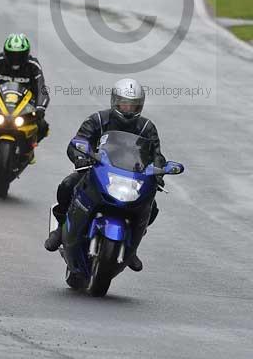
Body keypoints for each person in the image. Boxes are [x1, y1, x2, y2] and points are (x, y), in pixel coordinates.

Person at [44, 78, 165, 271]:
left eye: (133, 105)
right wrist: (80, 157)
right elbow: (78, 141)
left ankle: (132, 246)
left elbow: (156, 155)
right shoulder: (98, 120)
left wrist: (158, 172)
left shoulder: (146, 128)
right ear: (114, 101)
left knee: (152, 206)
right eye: (124, 103)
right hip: (97, 170)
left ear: (140, 105)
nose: (128, 108)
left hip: (131, 178)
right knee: (68, 185)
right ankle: (61, 227)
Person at [0, 33, 50, 161]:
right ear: (5, 52)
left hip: (24, 107)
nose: (16, 59)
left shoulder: (33, 66)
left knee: (43, 126)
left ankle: (30, 149)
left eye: (19, 55)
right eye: (12, 55)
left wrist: (40, 108)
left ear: (26, 54)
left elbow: (41, 89)